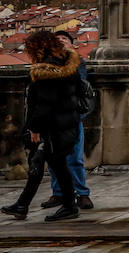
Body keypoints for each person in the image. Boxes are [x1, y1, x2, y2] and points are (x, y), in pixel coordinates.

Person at [2, 31, 85, 221]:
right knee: (52, 164)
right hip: (65, 124)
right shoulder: (68, 64)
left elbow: (45, 103)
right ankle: (27, 205)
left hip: (51, 128)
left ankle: (65, 206)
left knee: (43, 164)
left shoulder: (48, 70)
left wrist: (35, 128)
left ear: (40, 47)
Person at [37, 31, 94, 211]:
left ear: (71, 44)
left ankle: (82, 194)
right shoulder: (45, 63)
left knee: (75, 158)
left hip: (71, 116)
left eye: (65, 39)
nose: (61, 41)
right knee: (55, 159)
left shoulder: (77, 62)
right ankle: (59, 193)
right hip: (52, 118)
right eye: (58, 40)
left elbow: (79, 85)